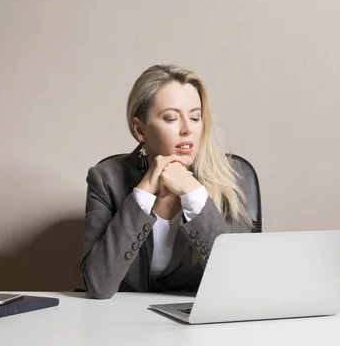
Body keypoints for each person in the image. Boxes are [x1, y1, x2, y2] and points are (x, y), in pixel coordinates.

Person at [80, 64, 256, 299]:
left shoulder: (230, 177)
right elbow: (98, 285)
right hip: (121, 324)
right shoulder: (106, 180)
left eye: (195, 117)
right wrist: (142, 195)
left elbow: (241, 282)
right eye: (171, 118)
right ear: (139, 130)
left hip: (200, 321)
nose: (187, 129)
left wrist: (194, 193)